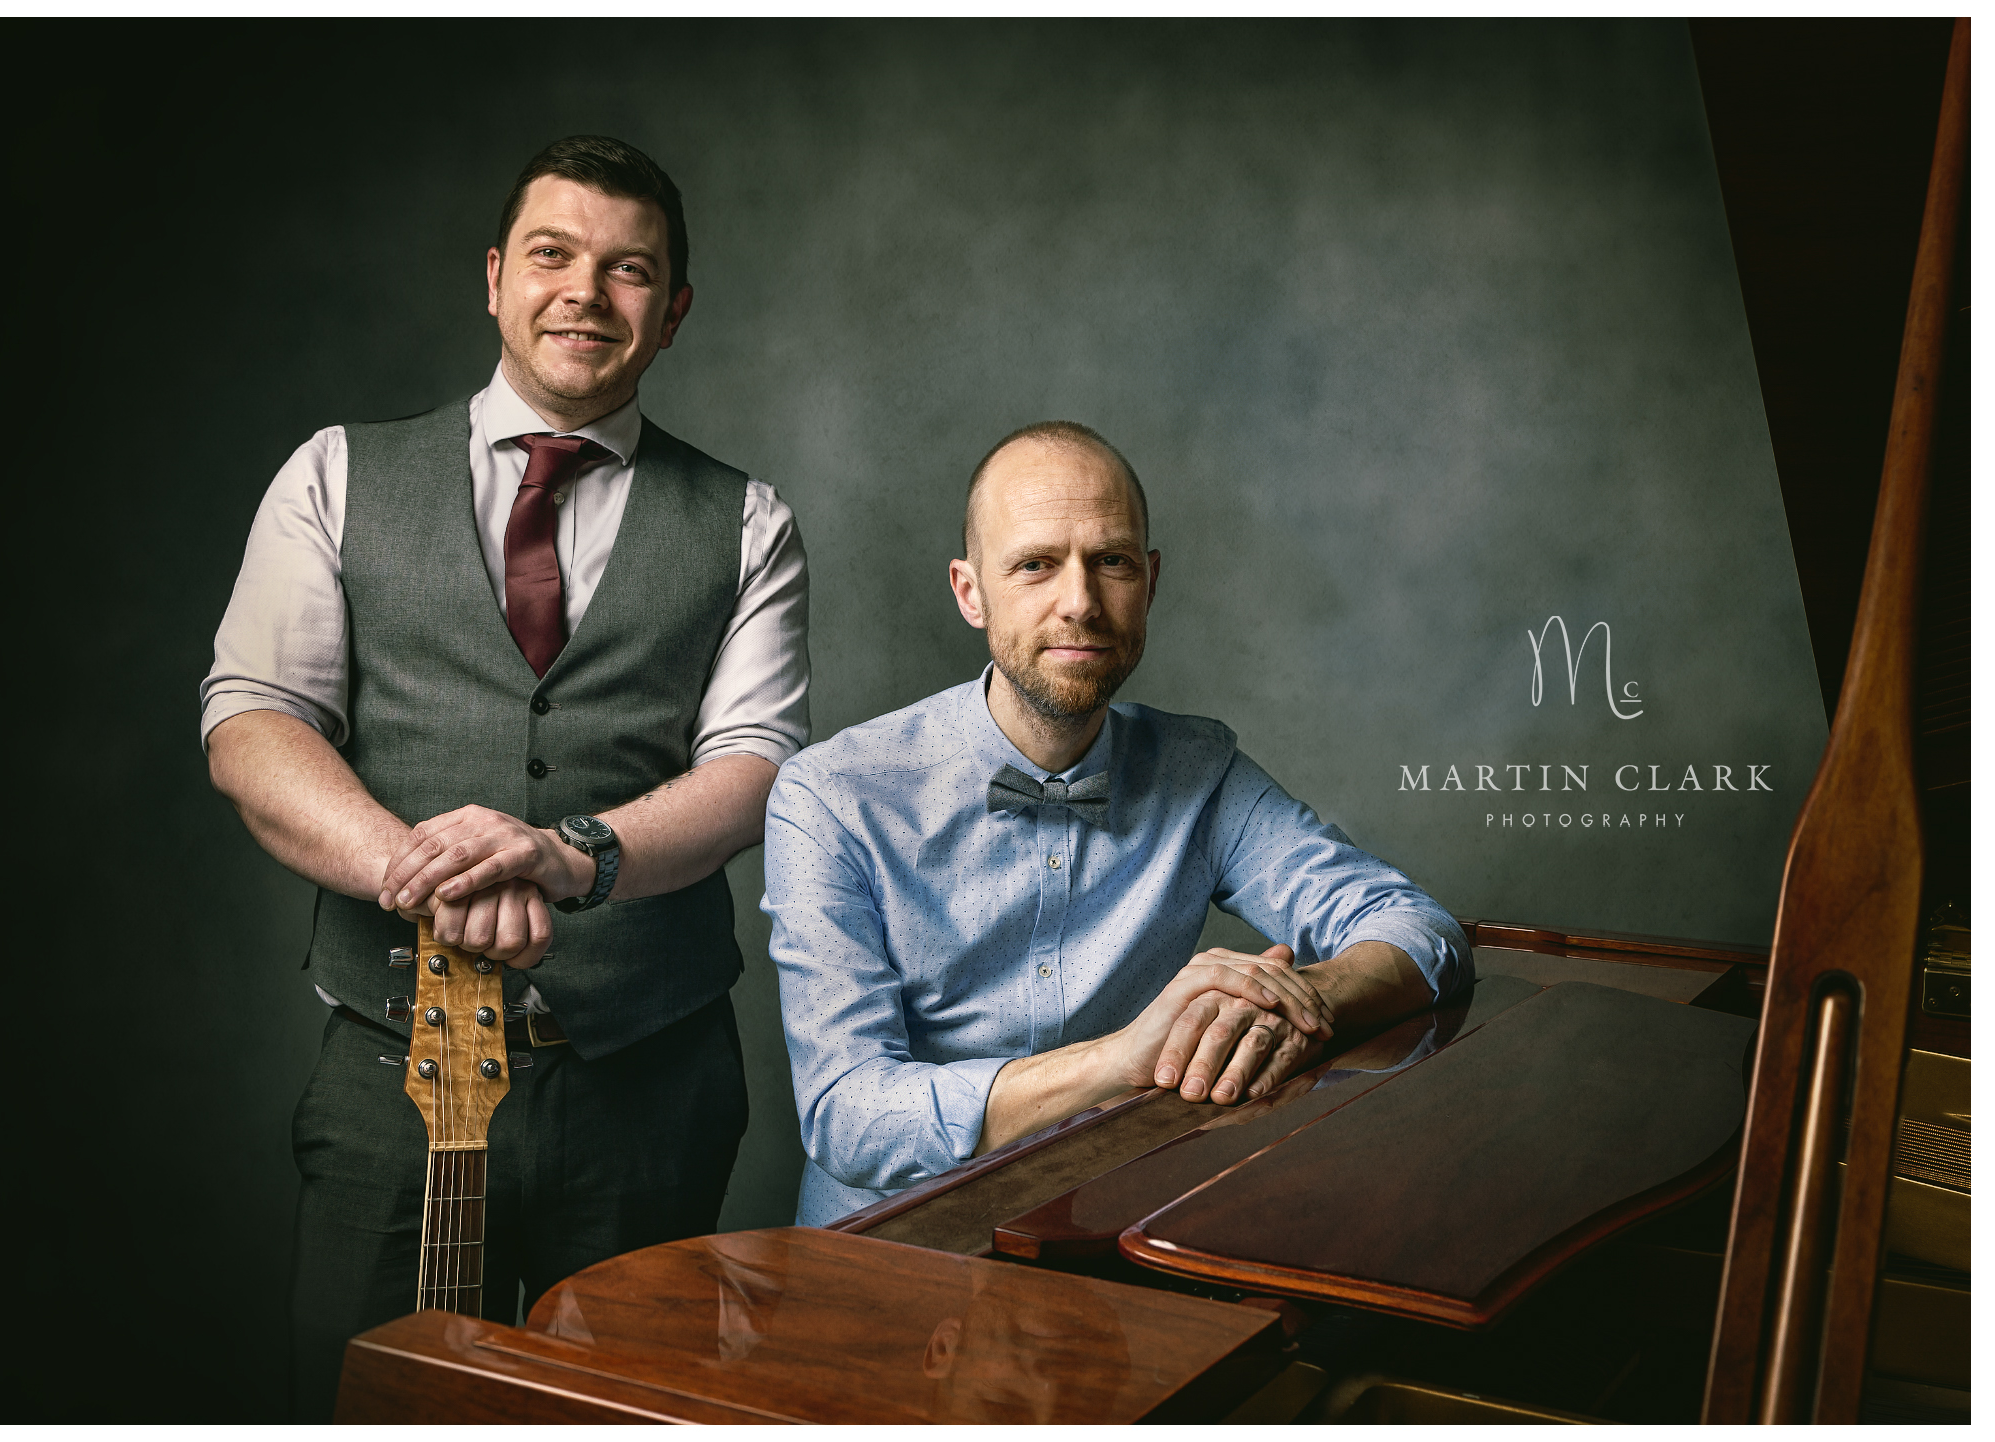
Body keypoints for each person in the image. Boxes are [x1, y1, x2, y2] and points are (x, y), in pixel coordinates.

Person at [201, 135, 808, 1418]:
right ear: (494, 279)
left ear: (674, 310)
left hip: (649, 1081)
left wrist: (568, 853)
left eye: (628, 268)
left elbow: (756, 768)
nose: (585, 291)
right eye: (552, 255)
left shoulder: (746, 520)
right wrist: (410, 868)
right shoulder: (333, 472)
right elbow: (252, 721)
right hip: (386, 1079)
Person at [763, 421, 1466, 1226]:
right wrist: (1124, 1057)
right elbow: (847, 1116)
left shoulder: (1200, 771)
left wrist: (1284, 1006)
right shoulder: (829, 796)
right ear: (969, 591)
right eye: (1035, 565)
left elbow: (1425, 931)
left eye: (1112, 562)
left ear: (1150, 580)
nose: (1081, 602)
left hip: (1121, 1228)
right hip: (900, 1249)